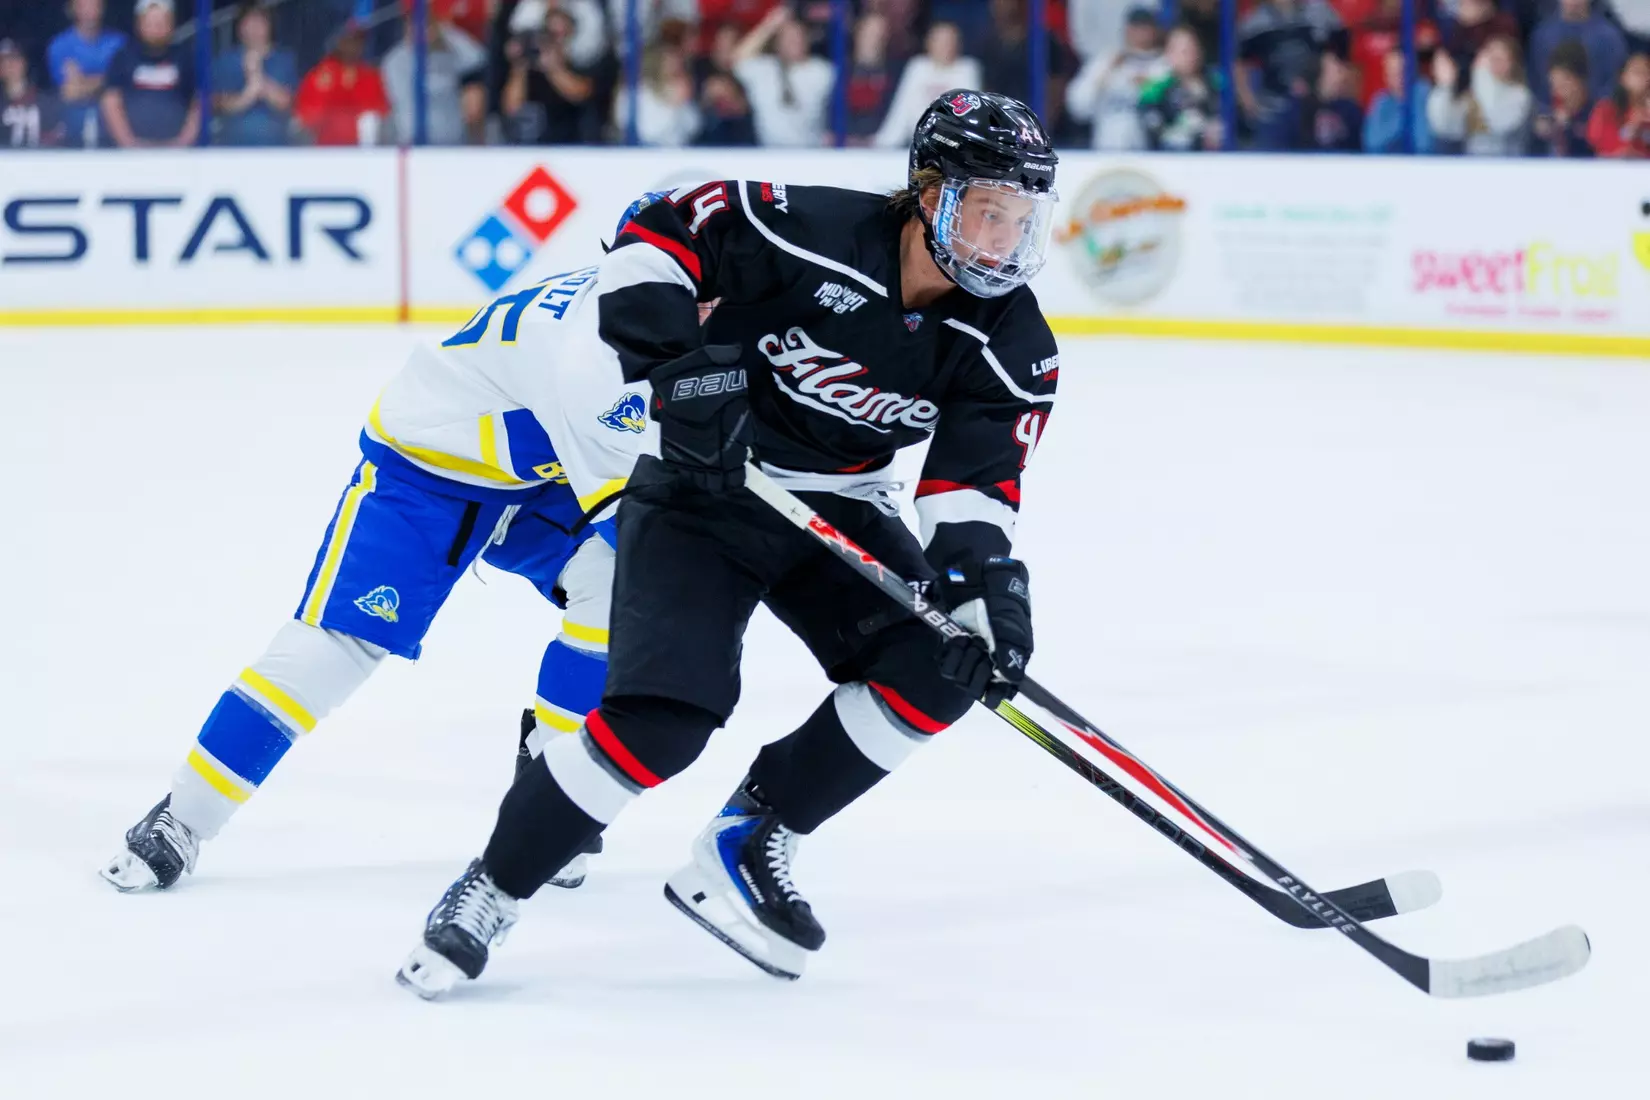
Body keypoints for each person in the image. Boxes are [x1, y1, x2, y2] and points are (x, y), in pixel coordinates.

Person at [395, 89, 1061, 998]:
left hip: (839, 506)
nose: (1003, 242)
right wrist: (677, 369)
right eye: (988, 212)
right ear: (928, 190)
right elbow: (655, 231)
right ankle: (493, 887)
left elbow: (972, 484)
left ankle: (754, 835)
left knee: (941, 662)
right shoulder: (809, 228)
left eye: (1022, 220)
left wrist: (987, 588)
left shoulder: (1013, 340)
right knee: (663, 720)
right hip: (703, 491)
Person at [97, 196, 682, 893]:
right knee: (337, 646)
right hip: (426, 474)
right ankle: (182, 818)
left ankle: (551, 800)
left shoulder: (645, 309)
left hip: (536, 470)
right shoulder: (593, 349)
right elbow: (640, 511)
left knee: (615, 589)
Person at [502, 7, 614, 144]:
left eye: (561, 33)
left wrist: (554, 69)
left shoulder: (583, 60)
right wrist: (519, 67)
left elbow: (581, 93)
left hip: (578, 145)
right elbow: (512, 108)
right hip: (535, 146)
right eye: (551, 34)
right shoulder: (532, 64)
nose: (556, 40)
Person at [383, 2, 488, 145]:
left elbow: (477, 58)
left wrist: (445, 31)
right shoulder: (395, 61)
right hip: (413, 145)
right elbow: (405, 107)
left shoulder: (452, 53)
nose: (422, 28)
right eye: (414, 22)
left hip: (454, 145)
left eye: (428, 22)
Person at [100, 0, 199, 149]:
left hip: (177, 152)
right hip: (131, 151)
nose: (156, 27)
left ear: (171, 24)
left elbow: (199, 102)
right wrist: (129, 144)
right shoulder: (123, 57)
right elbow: (110, 101)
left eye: (161, 21)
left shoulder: (186, 57)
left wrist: (183, 143)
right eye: (151, 22)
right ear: (139, 24)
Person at [1065, 7, 1167, 150]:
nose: (1140, 33)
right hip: (1105, 151)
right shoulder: (1105, 61)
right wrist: (1104, 76)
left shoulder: (1163, 65)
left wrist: (1146, 86)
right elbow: (1078, 107)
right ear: (1126, 30)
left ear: (1154, 31)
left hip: (1148, 152)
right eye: (1135, 27)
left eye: (1145, 28)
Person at [732, 6, 834, 146]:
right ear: (777, 42)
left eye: (798, 36)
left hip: (812, 155)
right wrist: (770, 25)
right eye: (788, 37)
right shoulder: (763, 69)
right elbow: (736, 59)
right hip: (770, 155)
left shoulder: (821, 70)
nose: (794, 41)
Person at [872, 21, 981, 146]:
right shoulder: (918, 67)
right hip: (916, 143)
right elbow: (901, 109)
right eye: (940, 41)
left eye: (950, 41)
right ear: (928, 43)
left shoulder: (967, 69)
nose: (945, 47)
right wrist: (882, 143)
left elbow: (970, 118)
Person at [1426, 34, 1531, 155]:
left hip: (1511, 167)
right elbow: (1445, 127)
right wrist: (1445, 87)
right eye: (1491, 59)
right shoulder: (1477, 93)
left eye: (1500, 59)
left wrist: (1482, 75)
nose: (1494, 65)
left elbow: (1497, 122)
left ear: (1513, 64)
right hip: (1474, 167)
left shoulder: (1521, 96)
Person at [293, 19, 390, 146]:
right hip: (323, 152)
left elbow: (380, 113)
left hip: (363, 153)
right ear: (337, 41)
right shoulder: (321, 74)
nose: (353, 45)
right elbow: (306, 117)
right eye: (347, 39)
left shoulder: (370, 75)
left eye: (357, 40)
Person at [212, 2, 297, 147]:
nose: (254, 28)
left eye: (259, 21)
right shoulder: (226, 61)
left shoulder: (284, 59)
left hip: (276, 147)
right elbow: (220, 105)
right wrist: (249, 93)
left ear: (269, 25)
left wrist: (257, 74)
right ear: (240, 27)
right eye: (249, 22)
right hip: (233, 147)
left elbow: (286, 103)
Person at [46, 0, 125, 147]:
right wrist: (104, 80)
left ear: (102, 8)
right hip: (72, 127)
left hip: (113, 129)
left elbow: (121, 87)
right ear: (73, 9)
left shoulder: (118, 43)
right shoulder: (59, 45)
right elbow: (69, 93)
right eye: (83, 5)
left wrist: (83, 81)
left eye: (95, 4)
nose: (90, 10)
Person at [1138, 24, 1225, 151]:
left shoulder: (1217, 81)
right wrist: (1191, 133)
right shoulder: (1155, 88)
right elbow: (1153, 130)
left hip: (1219, 158)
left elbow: (1233, 119)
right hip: (1174, 160)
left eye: (1193, 49)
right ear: (1169, 53)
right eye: (1184, 51)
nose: (1190, 56)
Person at [1531, 0, 1628, 102]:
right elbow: (1536, 82)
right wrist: (1546, 112)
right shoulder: (1542, 36)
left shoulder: (1609, 37)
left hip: (1597, 112)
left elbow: (1614, 83)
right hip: (1550, 112)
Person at [613, 38, 701, 145]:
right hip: (644, 153)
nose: (676, 66)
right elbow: (647, 132)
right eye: (670, 62)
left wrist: (682, 103)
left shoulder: (680, 89)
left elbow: (694, 126)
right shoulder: (639, 90)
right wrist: (671, 105)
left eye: (678, 62)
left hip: (678, 153)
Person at [1363, 45, 1435, 153]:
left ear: (1412, 69)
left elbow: (1423, 142)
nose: (1395, 75)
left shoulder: (1425, 93)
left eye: (1400, 70)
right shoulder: (1381, 100)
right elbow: (1371, 141)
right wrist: (1402, 115)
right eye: (1390, 71)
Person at [1531, 41, 1597, 153]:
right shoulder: (1547, 110)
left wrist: (1569, 127)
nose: (1556, 91)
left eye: (1563, 83)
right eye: (1553, 84)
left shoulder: (1598, 112)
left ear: (1580, 80)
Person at [1, 36, 67, 147]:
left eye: (14, 59)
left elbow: (57, 139)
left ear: (24, 63)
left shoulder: (45, 102)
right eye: (4, 61)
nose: (10, 66)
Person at [1586, 49, 1649, 154]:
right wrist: (1633, 126)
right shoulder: (1606, 110)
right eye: (1638, 72)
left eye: (1648, 73)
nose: (1646, 78)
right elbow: (1601, 147)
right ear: (1623, 78)